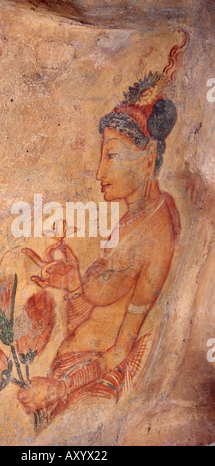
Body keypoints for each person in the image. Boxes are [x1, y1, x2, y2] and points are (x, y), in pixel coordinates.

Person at [17, 69, 183, 428]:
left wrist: (62, 385)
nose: (98, 172)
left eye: (112, 156)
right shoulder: (131, 218)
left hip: (91, 389)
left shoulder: (159, 230)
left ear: (149, 155)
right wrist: (73, 282)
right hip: (69, 375)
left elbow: (121, 350)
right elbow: (95, 318)